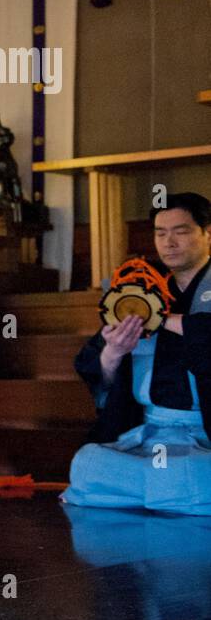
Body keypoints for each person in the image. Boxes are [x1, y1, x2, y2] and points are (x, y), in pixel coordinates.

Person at [62, 192, 211, 515]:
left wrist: (164, 319)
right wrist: (113, 354)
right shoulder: (144, 289)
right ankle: (168, 494)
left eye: (181, 231)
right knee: (89, 463)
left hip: (201, 436)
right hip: (149, 432)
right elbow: (97, 367)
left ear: (207, 233)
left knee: (192, 471)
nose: (169, 242)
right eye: (160, 233)